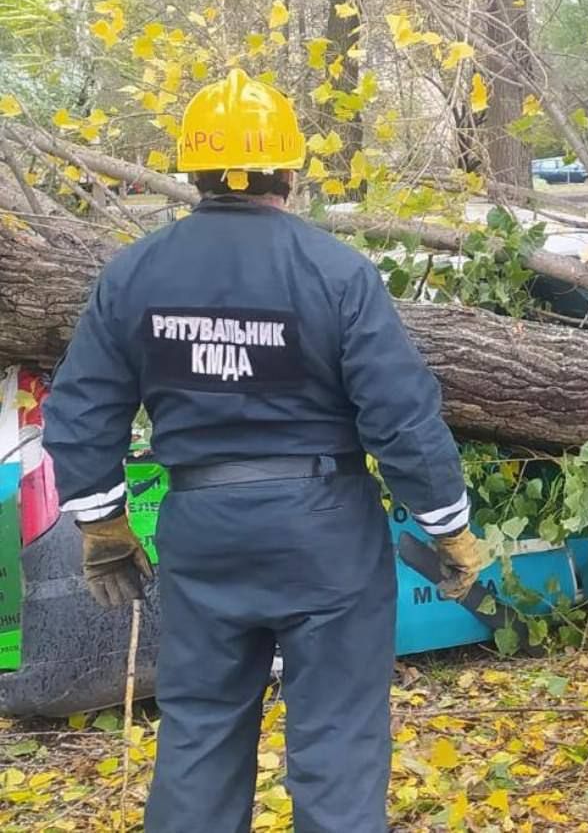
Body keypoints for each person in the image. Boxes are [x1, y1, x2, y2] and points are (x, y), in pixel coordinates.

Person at [42, 69, 488, 832]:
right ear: (289, 170)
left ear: (193, 172)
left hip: (203, 535)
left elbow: (83, 407)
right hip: (325, 537)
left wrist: (102, 524)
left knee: (200, 734)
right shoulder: (337, 272)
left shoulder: (135, 274)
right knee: (338, 741)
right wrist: (447, 527)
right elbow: (400, 417)